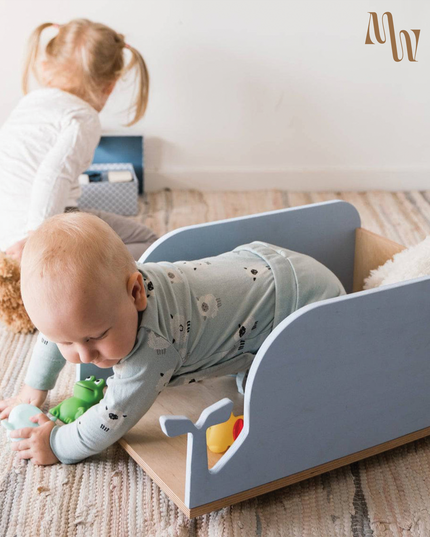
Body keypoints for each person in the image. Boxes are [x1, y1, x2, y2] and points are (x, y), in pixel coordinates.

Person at [0, 212, 345, 465]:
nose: (85, 355)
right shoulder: (109, 296)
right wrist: (34, 388)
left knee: (289, 392)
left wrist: (58, 444)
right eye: (69, 342)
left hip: (302, 299)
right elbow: (55, 333)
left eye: (97, 337)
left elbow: (112, 416)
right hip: (263, 266)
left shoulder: (153, 346)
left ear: (136, 293)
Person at [0, 19, 157, 262]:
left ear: (45, 67)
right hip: (35, 238)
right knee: (148, 242)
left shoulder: (29, 103)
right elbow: (53, 176)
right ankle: (84, 272)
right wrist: (35, 241)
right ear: (110, 86)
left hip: (5, 229)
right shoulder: (83, 118)